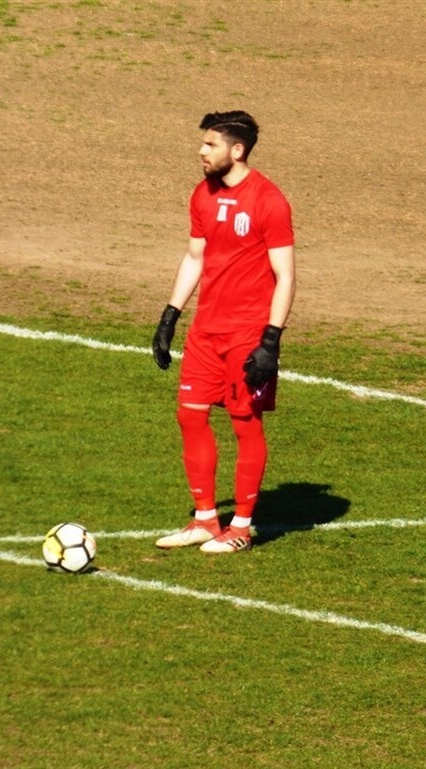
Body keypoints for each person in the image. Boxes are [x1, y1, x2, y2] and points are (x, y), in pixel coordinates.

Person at [151, 110, 296, 554]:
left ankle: (242, 527)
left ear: (237, 150)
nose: (200, 151)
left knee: (244, 423)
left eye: (210, 145)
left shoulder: (269, 201)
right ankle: (205, 520)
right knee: (190, 415)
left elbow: (286, 276)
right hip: (206, 331)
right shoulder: (202, 195)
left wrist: (270, 341)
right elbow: (195, 257)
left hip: (247, 335)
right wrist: (170, 315)